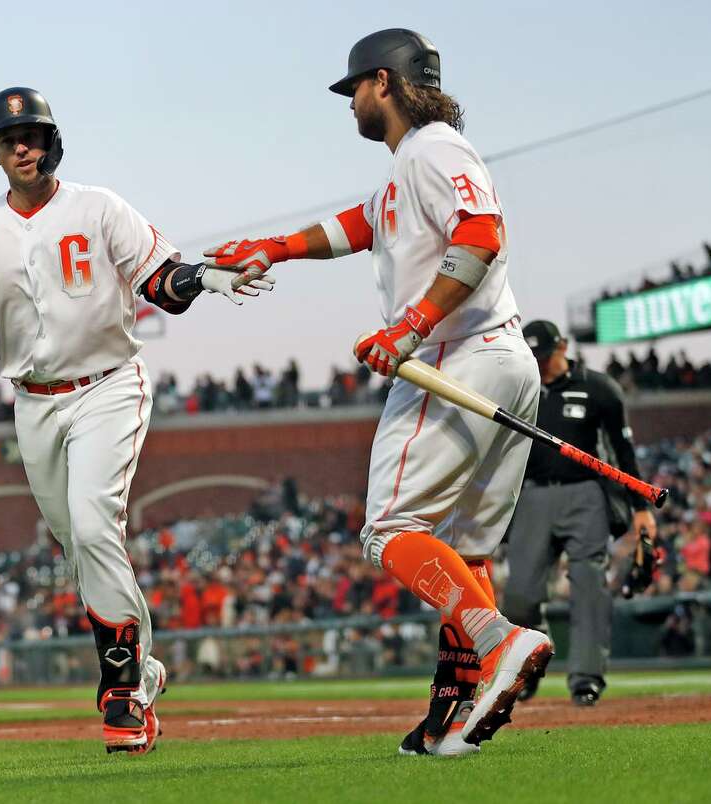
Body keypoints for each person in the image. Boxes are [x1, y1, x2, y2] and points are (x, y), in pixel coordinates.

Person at [204, 28, 549, 757]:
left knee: (390, 532)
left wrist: (412, 326)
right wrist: (278, 247)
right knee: (463, 546)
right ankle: (454, 711)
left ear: (384, 84)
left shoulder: (433, 149)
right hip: (504, 357)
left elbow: (483, 235)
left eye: (355, 87)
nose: (350, 101)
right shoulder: (412, 166)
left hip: (454, 360)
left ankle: (498, 641)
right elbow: (361, 224)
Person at [0, 87, 272, 754]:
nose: (22, 145)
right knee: (80, 551)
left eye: (33, 133)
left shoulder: (98, 206)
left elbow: (159, 280)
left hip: (108, 384)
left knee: (91, 522)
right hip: (33, 401)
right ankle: (145, 670)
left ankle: (119, 689)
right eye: (8, 138)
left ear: (53, 140)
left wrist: (201, 277)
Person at [503, 320, 657, 706]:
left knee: (589, 585)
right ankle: (531, 662)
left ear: (563, 347)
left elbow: (624, 455)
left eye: (544, 355)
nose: (539, 364)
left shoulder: (599, 388)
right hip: (532, 496)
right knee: (519, 594)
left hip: (586, 495)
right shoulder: (518, 389)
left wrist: (640, 508)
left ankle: (586, 679)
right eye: (532, 357)